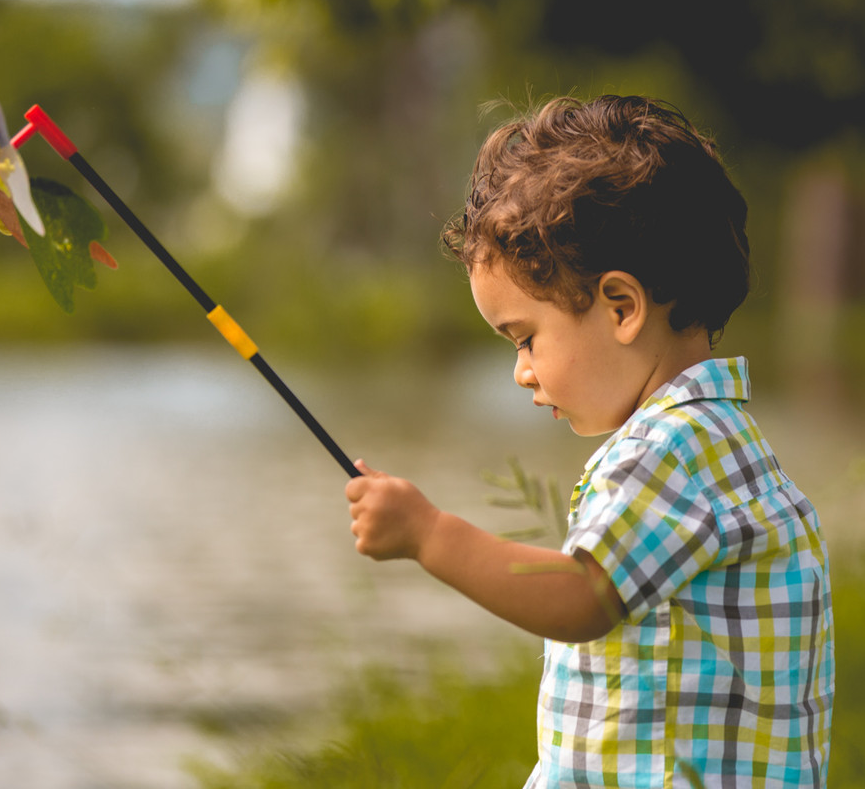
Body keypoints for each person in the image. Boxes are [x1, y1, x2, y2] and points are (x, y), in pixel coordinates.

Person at [345, 95, 834, 788]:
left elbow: (583, 596)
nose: (521, 373)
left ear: (622, 308)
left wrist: (430, 535)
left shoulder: (671, 449)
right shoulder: (721, 440)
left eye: (526, 339)